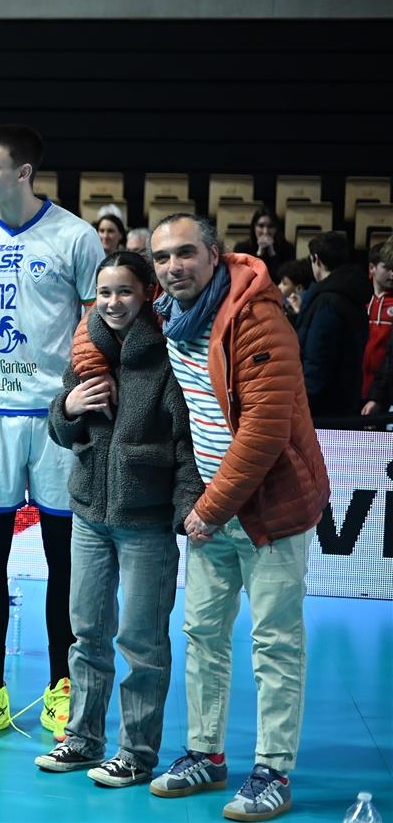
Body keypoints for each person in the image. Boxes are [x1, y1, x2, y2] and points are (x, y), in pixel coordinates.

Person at [145, 213, 327, 822]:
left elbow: (265, 431)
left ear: (214, 255)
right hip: (211, 506)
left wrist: (208, 509)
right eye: (162, 258)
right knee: (202, 635)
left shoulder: (257, 317)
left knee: (275, 642)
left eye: (185, 254)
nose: (174, 267)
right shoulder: (169, 314)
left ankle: (273, 770)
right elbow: (101, 323)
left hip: (270, 509)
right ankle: (206, 754)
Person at [0, 123, 101, 744]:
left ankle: (62, 686)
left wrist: (87, 398)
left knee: (65, 558)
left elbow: (98, 325)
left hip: (57, 419)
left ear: (24, 172)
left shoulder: (76, 236)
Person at [35, 250, 202, 787]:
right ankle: (83, 739)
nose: (112, 302)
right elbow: (61, 427)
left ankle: (136, 752)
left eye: (124, 291)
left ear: (148, 294)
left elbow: (187, 444)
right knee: (86, 633)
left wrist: (186, 509)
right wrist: (68, 407)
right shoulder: (88, 346)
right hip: (89, 515)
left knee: (142, 643)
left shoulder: (170, 354)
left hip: (146, 523)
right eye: (104, 292)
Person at [296, 231, 369, 419]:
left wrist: (301, 404)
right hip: (346, 400)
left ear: (316, 259)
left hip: (322, 409)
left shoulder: (327, 301)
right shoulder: (352, 294)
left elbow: (318, 359)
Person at [362, 242, 393, 406]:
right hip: (356, 386)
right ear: (372, 268)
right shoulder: (359, 297)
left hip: (385, 390)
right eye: (387, 268)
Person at [234, 208, 295, 280]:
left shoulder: (287, 249)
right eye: (261, 226)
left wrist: (272, 253)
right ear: (254, 227)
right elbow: (243, 279)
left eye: (270, 226)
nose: (265, 232)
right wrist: (259, 253)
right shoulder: (241, 249)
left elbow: (283, 281)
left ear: (276, 228)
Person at [275, 259, 312, 325]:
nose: (279, 286)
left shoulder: (306, 309)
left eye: (284, 284)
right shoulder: (284, 302)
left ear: (299, 288)